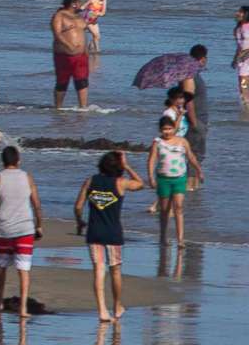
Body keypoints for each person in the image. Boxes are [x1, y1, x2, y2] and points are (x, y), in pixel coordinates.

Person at [0, 145, 42, 333]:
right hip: (25, 229)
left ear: (3, 161)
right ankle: (22, 308)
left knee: (1, 267)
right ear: (18, 160)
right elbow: (37, 204)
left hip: (4, 230)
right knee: (24, 270)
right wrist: (39, 225)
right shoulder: (28, 177)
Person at [74, 149, 142, 326]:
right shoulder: (120, 183)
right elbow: (140, 183)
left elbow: (78, 206)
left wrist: (80, 222)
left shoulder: (91, 181)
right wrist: (127, 166)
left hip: (94, 232)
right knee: (115, 270)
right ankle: (117, 305)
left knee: (98, 270)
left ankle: (102, 310)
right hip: (113, 233)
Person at [149, 110, 205, 243]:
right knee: (164, 209)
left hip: (179, 178)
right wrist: (151, 177)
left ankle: (180, 239)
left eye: (169, 128)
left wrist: (199, 171)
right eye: (164, 129)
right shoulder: (157, 142)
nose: (167, 132)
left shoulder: (182, 141)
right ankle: (163, 236)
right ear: (160, 129)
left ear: (174, 128)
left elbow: (191, 157)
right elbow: (151, 160)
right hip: (163, 179)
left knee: (178, 207)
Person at [49, 0, 91, 111]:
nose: (81, 4)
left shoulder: (79, 17)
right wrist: (69, 45)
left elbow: (83, 34)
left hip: (81, 55)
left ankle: (83, 107)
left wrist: (86, 51)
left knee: (82, 81)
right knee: (62, 81)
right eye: (79, 2)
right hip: (64, 54)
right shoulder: (59, 15)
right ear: (73, 3)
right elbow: (57, 34)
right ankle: (58, 107)